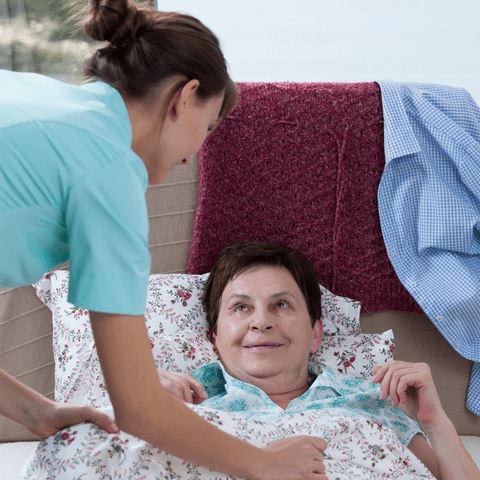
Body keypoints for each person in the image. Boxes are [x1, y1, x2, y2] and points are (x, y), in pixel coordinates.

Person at [0, 2, 327, 479]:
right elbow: (138, 409)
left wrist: (37, 413)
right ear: (184, 96)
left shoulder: (41, 99)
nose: (194, 155)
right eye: (208, 126)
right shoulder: (110, 173)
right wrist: (265, 464)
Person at [159, 241, 480, 480]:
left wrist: (436, 423)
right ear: (214, 336)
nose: (261, 322)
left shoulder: (373, 402)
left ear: (316, 333)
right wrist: (144, 404)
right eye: (240, 307)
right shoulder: (185, 409)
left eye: (282, 304)